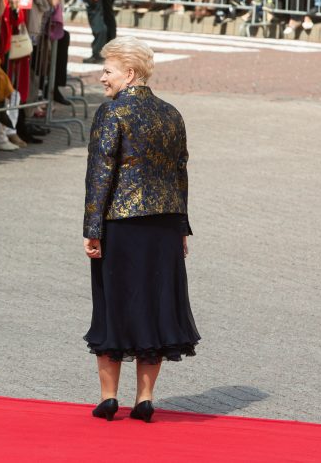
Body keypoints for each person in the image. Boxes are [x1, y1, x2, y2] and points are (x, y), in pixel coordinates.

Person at [83, 36, 199, 424]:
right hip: (164, 224)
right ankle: (145, 399)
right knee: (154, 304)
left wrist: (91, 228)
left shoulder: (112, 112)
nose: (102, 78)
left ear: (129, 73)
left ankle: (109, 397)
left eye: (108, 70)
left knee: (114, 304)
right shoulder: (171, 112)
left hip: (123, 223)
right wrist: (182, 226)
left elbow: (100, 175)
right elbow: (179, 174)